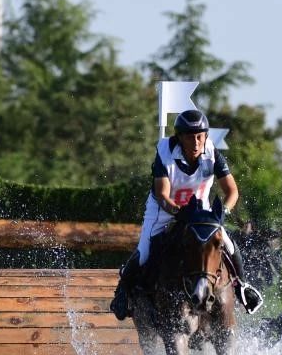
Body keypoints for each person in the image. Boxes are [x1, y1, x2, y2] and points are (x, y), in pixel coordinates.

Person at [110, 109, 264, 320]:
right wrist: (178, 212)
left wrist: (223, 213)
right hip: (164, 209)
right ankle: (123, 291)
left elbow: (232, 191)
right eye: (190, 137)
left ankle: (242, 287)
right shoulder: (165, 153)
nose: (196, 142)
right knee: (144, 250)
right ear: (180, 137)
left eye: (200, 136)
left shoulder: (212, 153)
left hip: (200, 210)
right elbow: (162, 195)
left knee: (227, 244)